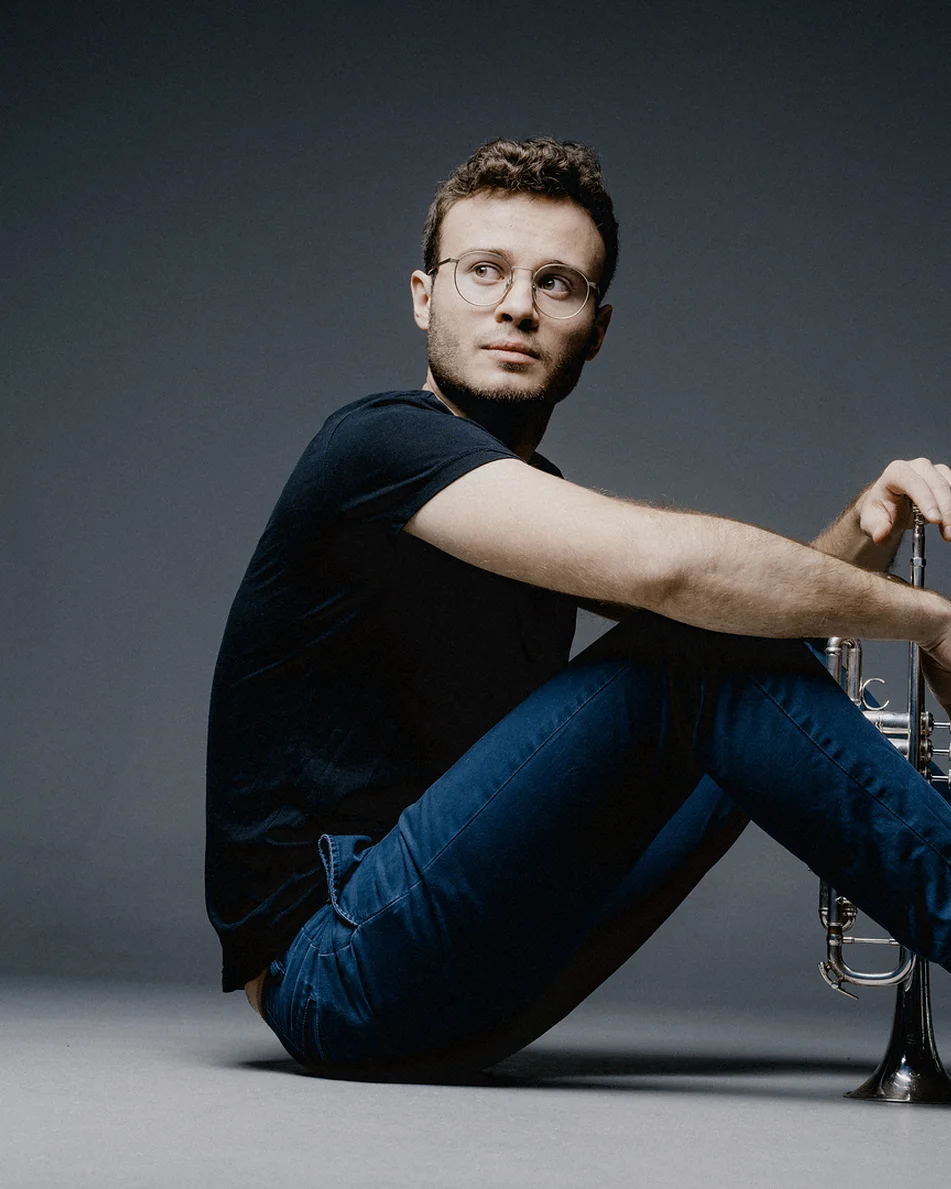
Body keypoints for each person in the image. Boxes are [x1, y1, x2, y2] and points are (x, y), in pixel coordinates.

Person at [205, 136, 951, 1079]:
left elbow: (741, 615)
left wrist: (867, 524)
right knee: (692, 648)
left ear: (595, 329)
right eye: (483, 270)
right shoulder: (374, 448)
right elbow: (673, 574)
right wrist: (932, 619)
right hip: (336, 970)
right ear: (424, 297)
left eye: (555, 283)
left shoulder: (533, 497)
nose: (517, 303)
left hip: (477, 969)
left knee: (735, 649)